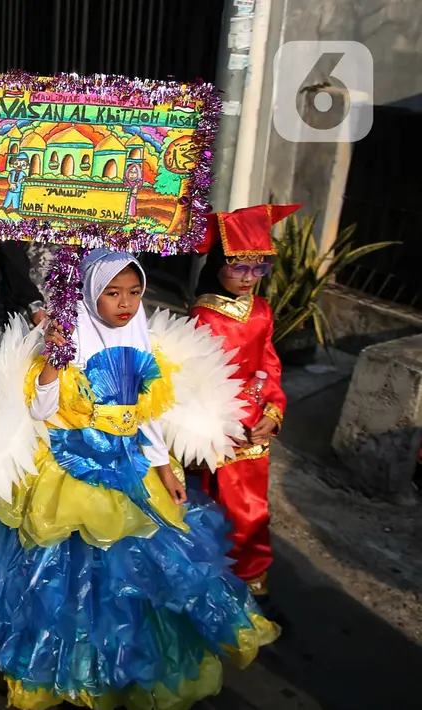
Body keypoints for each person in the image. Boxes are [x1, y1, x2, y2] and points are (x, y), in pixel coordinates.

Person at [0, 248, 279, 710]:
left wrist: (165, 467)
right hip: (66, 468)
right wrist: (54, 356)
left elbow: (144, 417)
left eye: (133, 292)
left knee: (126, 578)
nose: (125, 302)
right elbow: (40, 409)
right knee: (53, 580)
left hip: (129, 470)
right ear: (89, 294)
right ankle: (48, 666)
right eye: (112, 292)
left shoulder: (140, 342)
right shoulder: (67, 339)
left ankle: (109, 665)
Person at [191, 204, 298, 620]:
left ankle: (252, 587)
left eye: (258, 269)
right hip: (221, 425)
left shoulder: (262, 311)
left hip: (256, 425)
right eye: (240, 268)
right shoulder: (203, 316)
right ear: (218, 264)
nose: (249, 278)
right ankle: (222, 591)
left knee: (251, 508)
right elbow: (197, 375)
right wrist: (217, 422)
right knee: (219, 507)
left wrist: (274, 410)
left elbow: (269, 363)